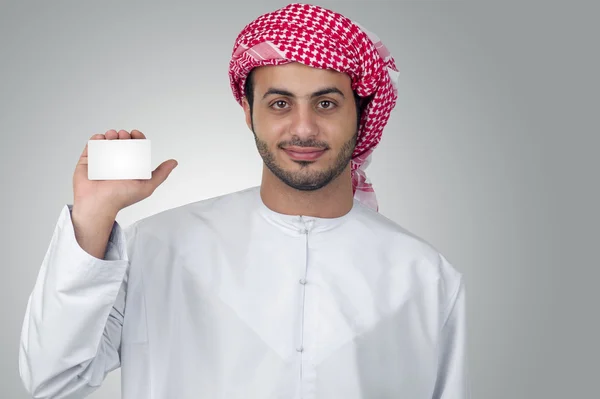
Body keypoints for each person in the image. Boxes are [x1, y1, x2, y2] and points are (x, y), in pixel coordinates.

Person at [19, 3, 470, 398]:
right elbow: (52, 379)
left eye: (327, 104)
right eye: (279, 104)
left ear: (361, 112)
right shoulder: (157, 247)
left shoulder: (423, 277)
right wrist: (94, 216)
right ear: (248, 112)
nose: (304, 128)